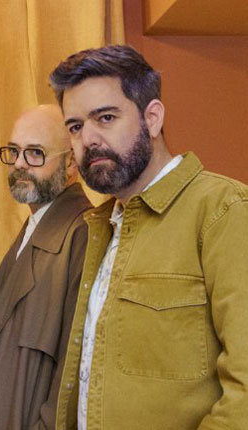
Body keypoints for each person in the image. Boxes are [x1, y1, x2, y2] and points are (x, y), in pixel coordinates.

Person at [50, 44, 248, 429]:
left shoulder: (224, 210)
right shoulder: (99, 227)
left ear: (152, 118)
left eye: (106, 117)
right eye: (75, 126)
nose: (88, 139)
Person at [0, 104, 91, 429]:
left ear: (71, 162)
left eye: (36, 153)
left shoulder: (82, 234)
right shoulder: (31, 230)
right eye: (14, 151)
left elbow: (77, 365)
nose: (20, 164)